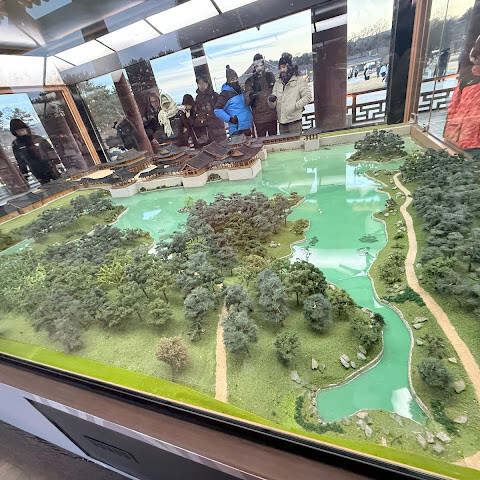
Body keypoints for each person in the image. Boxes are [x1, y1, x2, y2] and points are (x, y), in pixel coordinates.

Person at [444, 36, 480, 155]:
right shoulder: (466, 80)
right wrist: (449, 134)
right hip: (458, 137)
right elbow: (452, 108)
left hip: (476, 143)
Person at [268, 52, 312, 135]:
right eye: (280, 68)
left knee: (296, 142)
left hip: (294, 121)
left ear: (289, 67)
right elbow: (273, 102)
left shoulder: (299, 79)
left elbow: (308, 96)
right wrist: (271, 100)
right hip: (282, 122)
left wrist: (295, 106)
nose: (282, 70)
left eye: (284, 67)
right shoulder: (278, 82)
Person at [10, 118, 61, 184]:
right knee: (46, 186)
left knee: (59, 182)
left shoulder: (38, 139)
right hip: (36, 169)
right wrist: (24, 173)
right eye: (18, 131)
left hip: (49, 165)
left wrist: (57, 162)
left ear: (26, 129)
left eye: (22, 130)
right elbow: (20, 160)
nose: (21, 132)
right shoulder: (16, 144)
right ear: (15, 132)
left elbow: (50, 150)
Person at [244, 53, 277, 137]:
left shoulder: (270, 76)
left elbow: (277, 92)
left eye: (261, 65)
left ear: (264, 65)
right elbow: (247, 101)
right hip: (259, 119)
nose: (259, 68)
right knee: (261, 141)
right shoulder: (250, 81)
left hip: (272, 116)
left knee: (274, 140)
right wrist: (251, 96)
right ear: (254, 67)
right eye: (257, 66)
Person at [214, 65, 253, 137]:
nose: (235, 81)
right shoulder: (225, 94)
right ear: (228, 81)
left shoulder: (241, 90)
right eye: (232, 79)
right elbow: (217, 110)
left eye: (236, 78)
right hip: (237, 129)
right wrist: (230, 119)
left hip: (248, 126)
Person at [195, 75, 227, 143]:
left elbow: (222, 107)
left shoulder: (215, 95)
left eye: (203, 83)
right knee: (211, 145)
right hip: (206, 127)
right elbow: (197, 111)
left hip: (217, 124)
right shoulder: (198, 98)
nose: (201, 85)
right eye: (199, 84)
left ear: (207, 83)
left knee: (223, 143)